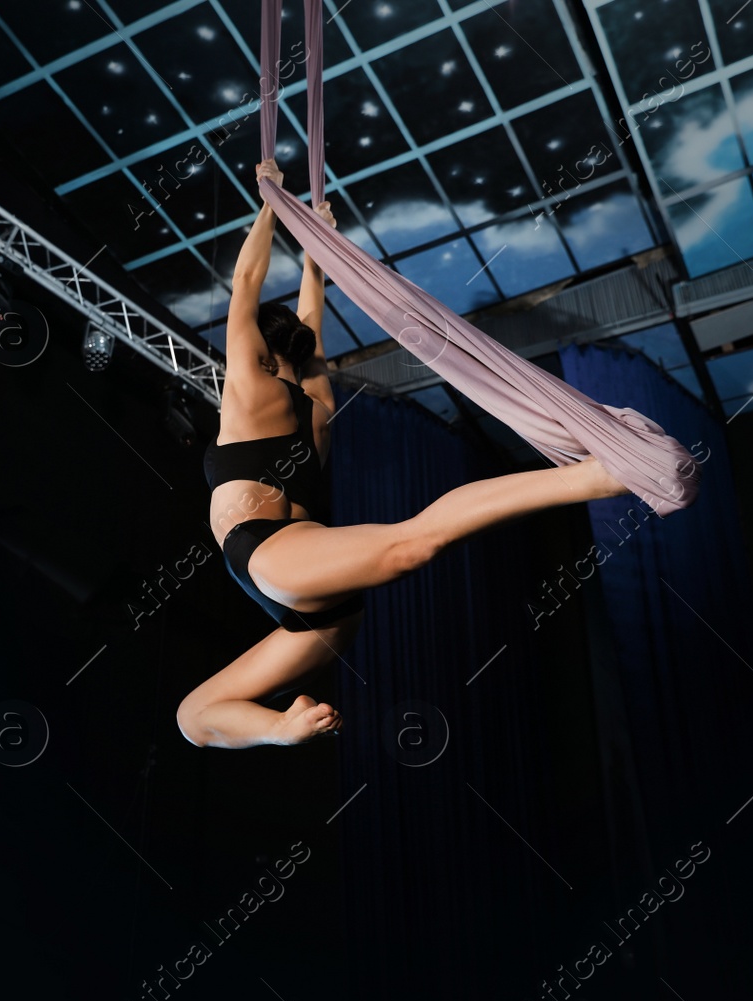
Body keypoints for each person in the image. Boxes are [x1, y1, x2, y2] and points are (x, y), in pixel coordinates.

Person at [176, 159, 630, 749]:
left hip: (277, 560)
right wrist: (310, 241)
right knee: (194, 717)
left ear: (256, 348)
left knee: (413, 545)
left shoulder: (248, 393)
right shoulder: (313, 398)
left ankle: (596, 476)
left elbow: (247, 284)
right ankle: (284, 728)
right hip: (309, 595)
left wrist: (273, 200)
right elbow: (299, 317)